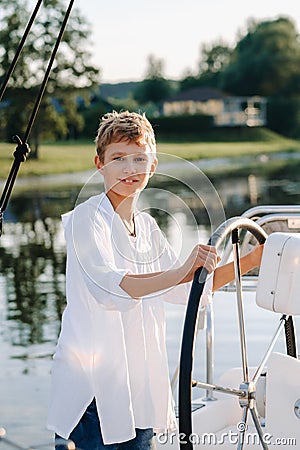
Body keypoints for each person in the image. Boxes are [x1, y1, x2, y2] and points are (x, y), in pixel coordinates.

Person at [47, 111, 263, 449]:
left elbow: (185, 291)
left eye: (139, 158)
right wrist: (183, 269)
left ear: (153, 164)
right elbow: (113, 288)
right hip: (93, 396)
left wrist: (250, 261)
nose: (130, 168)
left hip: (140, 391)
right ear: (99, 163)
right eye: (118, 158)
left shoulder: (147, 227)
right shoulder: (85, 220)